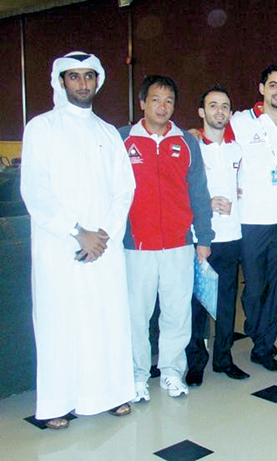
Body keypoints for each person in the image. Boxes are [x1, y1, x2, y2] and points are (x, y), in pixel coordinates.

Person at [21, 51, 136, 429]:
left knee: (107, 319)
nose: (83, 83)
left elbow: (124, 189)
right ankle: (57, 403)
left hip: (103, 247)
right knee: (60, 322)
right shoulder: (41, 128)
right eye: (74, 76)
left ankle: (111, 394)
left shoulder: (107, 132)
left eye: (89, 76)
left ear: (97, 81)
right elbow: (35, 191)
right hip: (60, 248)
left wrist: (104, 233)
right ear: (61, 82)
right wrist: (78, 232)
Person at [120, 75, 214, 400]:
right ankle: (137, 377)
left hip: (178, 245)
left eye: (169, 101)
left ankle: (172, 373)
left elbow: (199, 193)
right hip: (136, 246)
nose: (162, 106)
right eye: (156, 99)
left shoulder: (186, 143)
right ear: (142, 103)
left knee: (177, 314)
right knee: (137, 316)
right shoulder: (123, 140)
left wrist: (204, 238)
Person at [224, 64, 277, 372]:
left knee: (276, 287)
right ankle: (255, 325)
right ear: (261, 88)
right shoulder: (240, 121)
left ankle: (264, 346)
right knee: (255, 288)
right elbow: (213, 138)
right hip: (252, 220)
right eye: (273, 85)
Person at [185, 85, 249, 384]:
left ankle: (223, 358)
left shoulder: (238, 149)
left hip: (232, 236)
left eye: (224, 106)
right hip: (200, 238)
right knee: (197, 303)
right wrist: (206, 204)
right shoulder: (191, 146)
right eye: (213, 105)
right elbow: (180, 191)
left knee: (226, 301)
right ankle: (196, 362)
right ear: (201, 112)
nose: (219, 111)